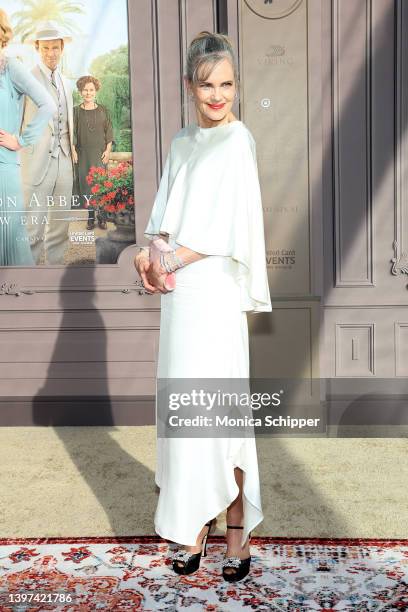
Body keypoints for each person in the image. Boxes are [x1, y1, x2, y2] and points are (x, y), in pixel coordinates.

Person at [134, 31, 272, 582]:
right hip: (180, 300)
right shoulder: (181, 143)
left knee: (220, 413)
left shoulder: (239, 141)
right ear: (190, 85)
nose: (219, 95)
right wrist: (149, 259)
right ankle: (194, 525)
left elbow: (229, 228)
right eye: (208, 84)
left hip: (213, 290)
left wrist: (171, 259)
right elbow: (163, 221)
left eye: (228, 84)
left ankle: (235, 530)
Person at [0, 10, 56, 266]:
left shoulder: (10, 67)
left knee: (10, 238)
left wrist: (21, 140)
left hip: (3, 166)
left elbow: (48, 104)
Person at [20, 22, 75, 265]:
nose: (50, 53)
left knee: (60, 227)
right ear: (37, 48)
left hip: (64, 162)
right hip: (35, 162)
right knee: (33, 228)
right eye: (45, 48)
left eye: (55, 48)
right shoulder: (24, 78)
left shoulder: (66, 81)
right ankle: (27, 285)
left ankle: (55, 279)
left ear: (62, 48)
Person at [72, 75, 113, 230]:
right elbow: (72, 133)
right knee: (87, 185)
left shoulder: (104, 110)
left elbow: (109, 131)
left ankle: (102, 218)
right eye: (85, 90)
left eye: (91, 90)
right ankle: (90, 218)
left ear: (95, 91)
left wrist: (108, 151)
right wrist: (73, 151)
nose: (88, 93)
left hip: (99, 154)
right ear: (80, 92)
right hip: (82, 155)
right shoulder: (75, 112)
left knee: (100, 185)